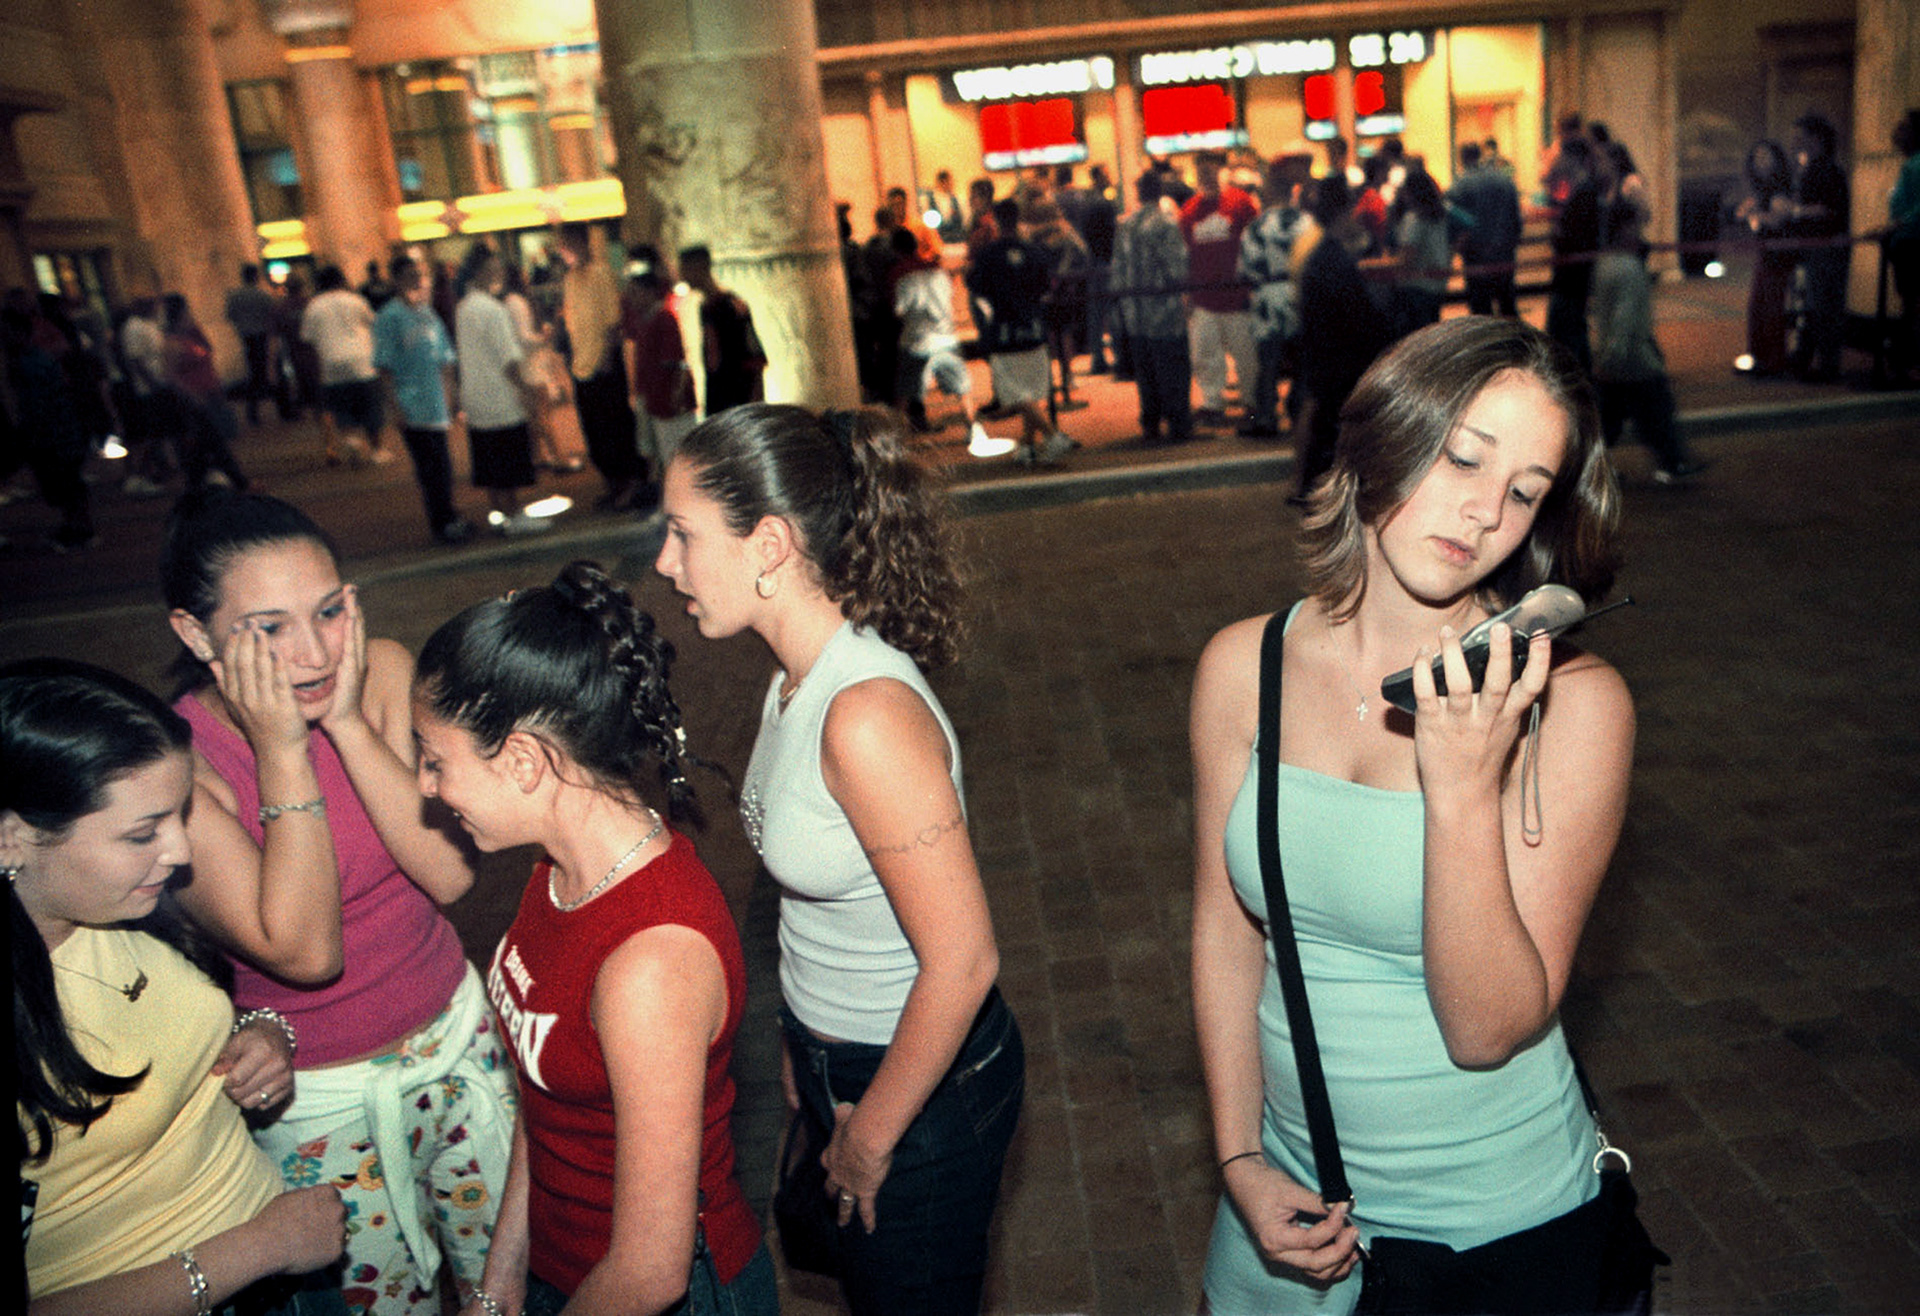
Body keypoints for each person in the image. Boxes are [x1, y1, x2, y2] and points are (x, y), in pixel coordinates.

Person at [1190, 315, 1631, 1315]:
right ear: (1386, 437)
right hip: (1288, 1212)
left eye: (1523, 490)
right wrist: (1237, 1154)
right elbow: (1227, 928)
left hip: (1493, 1235)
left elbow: (1487, 1028)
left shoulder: (1573, 704)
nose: (1484, 511)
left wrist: (1465, 784)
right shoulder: (1241, 666)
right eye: (1462, 456)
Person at [656, 404, 1025, 1316]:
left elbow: (965, 959)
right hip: (841, 1065)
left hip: (917, 1090)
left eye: (682, 534)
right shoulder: (792, 679)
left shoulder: (864, 716)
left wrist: (868, 1139)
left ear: (770, 543)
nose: (666, 565)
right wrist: (800, 1041)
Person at [160, 490, 517, 1315]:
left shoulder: (381, 672)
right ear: (193, 634)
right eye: (270, 628)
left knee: (513, 1288)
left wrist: (348, 724)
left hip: (460, 1048)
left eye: (328, 611)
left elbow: (450, 876)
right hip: (320, 1103)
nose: (315, 650)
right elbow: (305, 952)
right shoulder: (182, 761)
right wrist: (285, 752)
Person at [410, 562, 778, 1316]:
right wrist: (502, 1272)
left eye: (435, 760)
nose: (425, 785)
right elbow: (544, 1098)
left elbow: (650, 1271)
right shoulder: (559, 870)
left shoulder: (650, 958)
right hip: (564, 1269)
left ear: (520, 761)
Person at [8, 657, 349, 1314]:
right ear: (12, 838)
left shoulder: (123, 906)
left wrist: (262, 1033)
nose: (180, 852)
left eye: (178, 816)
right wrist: (260, 1248)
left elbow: (192, 1022)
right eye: (142, 832)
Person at [1293, 177, 1392, 500]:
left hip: (1326, 357)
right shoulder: (1332, 260)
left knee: (1325, 424)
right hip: (1340, 360)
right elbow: (1355, 315)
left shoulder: (1322, 254)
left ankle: (1312, 486)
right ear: (1342, 213)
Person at [1591, 202, 1703, 484]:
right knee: (1655, 411)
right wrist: (1615, 355)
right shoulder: (1628, 268)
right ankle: (1672, 462)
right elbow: (1625, 317)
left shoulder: (1606, 264)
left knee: (1610, 420)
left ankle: (1591, 470)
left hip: (1615, 355)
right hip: (1631, 357)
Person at [372, 255, 474, 545]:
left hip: (435, 402)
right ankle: (441, 521)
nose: (416, 281)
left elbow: (445, 359)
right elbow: (384, 368)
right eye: (408, 276)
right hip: (411, 405)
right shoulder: (389, 317)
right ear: (396, 281)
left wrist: (453, 397)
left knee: (444, 464)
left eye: (418, 275)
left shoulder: (427, 314)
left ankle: (450, 515)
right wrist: (395, 408)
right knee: (429, 467)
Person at [969, 199, 1075, 464]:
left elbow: (977, 287)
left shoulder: (988, 255)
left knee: (1012, 394)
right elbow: (1045, 285)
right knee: (1028, 392)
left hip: (1005, 332)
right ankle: (1028, 445)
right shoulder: (1033, 251)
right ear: (1018, 219)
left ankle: (1052, 436)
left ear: (996, 220)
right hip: (1034, 328)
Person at [455, 248, 551, 535]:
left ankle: (499, 512)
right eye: (494, 269)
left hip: (475, 395)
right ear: (482, 272)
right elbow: (508, 359)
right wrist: (526, 392)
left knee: (489, 460)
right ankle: (514, 515)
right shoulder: (493, 310)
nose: (498, 275)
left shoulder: (464, 307)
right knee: (508, 457)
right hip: (499, 395)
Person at [889, 226, 993, 454]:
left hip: (916, 342)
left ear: (896, 250)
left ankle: (892, 440)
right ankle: (974, 428)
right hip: (947, 338)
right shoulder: (939, 272)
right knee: (962, 389)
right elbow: (949, 296)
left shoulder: (900, 275)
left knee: (906, 392)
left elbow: (899, 309)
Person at [560, 224, 642, 509]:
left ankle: (628, 484)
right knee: (593, 430)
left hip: (603, 363)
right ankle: (612, 484)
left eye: (568, 242)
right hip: (582, 365)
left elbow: (612, 321)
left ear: (582, 243)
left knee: (614, 426)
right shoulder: (570, 279)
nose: (564, 249)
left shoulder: (601, 273)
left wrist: (607, 356)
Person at [1113, 169, 1193, 446]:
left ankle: (1150, 423)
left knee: (1145, 373)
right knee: (1172, 369)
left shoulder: (1126, 224)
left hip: (1134, 313)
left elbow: (1118, 270)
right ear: (1160, 192)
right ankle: (1178, 424)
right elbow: (1178, 269)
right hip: (1164, 311)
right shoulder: (1166, 224)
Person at [1181, 152, 1261, 426]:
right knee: (1206, 356)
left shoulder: (1241, 203)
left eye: (1211, 172)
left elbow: (1254, 243)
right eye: (1202, 173)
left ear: (1221, 172)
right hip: (1204, 297)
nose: (1207, 177)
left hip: (1237, 295)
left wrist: (1252, 285)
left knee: (1246, 356)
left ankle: (1252, 401)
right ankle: (1212, 403)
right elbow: (1187, 256)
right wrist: (1188, 295)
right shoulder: (1189, 211)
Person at [1236, 157, 1310, 438]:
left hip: (1267, 303)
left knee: (1267, 366)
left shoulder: (1255, 228)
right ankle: (1299, 411)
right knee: (1303, 364)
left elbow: (1245, 270)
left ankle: (1265, 417)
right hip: (1300, 300)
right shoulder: (1305, 223)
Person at [162, 293, 252, 494]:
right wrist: (191, 395)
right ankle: (236, 482)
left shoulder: (192, 337)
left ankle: (211, 484)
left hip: (210, 395)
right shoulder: (173, 344)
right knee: (212, 443)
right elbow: (170, 376)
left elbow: (208, 350)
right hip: (194, 400)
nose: (190, 318)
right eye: (187, 315)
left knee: (211, 443)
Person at [301, 266, 390, 468]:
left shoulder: (313, 305)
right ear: (341, 279)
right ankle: (377, 450)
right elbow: (373, 323)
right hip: (363, 363)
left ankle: (351, 440)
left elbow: (307, 337)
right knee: (371, 407)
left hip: (331, 365)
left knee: (341, 408)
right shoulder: (355, 300)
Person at [1786, 112, 1852, 382]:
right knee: (1813, 305)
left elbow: (1828, 210)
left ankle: (1827, 366)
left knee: (1825, 307)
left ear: (1814, 138)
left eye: (1800, 134)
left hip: (1826, 249)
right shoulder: (1812, 167)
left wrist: (1796, 211)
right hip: (1814, 248)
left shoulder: (1827, 170)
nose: (1795, 139)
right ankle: (1811, 360)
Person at [680, 246, 768, 417]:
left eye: (686, 269)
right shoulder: (705, 308)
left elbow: (753, 356)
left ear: (700, 267)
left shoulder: (731, 306)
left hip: (738, 398)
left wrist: (754, 402)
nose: (684, 276)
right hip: (719, 399)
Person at [1733, 140, 1796, 377]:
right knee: (1758, 307)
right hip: (1766, 253)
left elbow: (1779, 218)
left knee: (1771, 308)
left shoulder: (1779, 188)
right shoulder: (1761, 189)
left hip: (1779, 254)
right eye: (1757, 157)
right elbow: (1744, 214)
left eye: (1765, 157)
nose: (1760, 162)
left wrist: (1756, 215)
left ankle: (1773, 360)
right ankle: (1760, 357)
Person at [1448, 141, 1523, 317]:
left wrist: (1456, 247)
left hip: (1476, 255)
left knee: (1481, 310)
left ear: (1462, 158)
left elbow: (1452, 219)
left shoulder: (1461, 185)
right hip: (1504, 252)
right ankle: (1513, 342)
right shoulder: (1504, 180)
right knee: (1507, 304)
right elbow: (1516, 218)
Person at [1887, 109, 1920, 382]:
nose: (1897, 132)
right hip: (1907, 241)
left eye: (1904, 127)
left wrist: (1897, 225)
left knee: (1912, 305)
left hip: (1912, 243)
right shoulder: (1909, 164)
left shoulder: (1915, 165)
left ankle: (1909, 365)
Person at [225, 265, 278, 427]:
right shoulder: (262, 295)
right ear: (255, 276)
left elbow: (230, 315)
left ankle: (253, 410)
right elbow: (272, 312)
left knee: (253, 370)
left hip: (245, 336)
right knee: (264, 369)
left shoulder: (235, 296)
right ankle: (277, 405)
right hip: (261, 335)